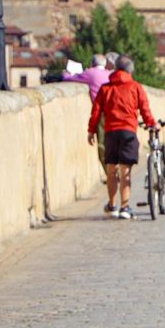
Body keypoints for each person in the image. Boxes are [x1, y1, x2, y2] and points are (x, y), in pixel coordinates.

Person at [88, 56, 158, 219]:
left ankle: (112, 205)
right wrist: (151, 124)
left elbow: (96, 112)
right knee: (125, 171)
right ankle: (125, 207)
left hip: (110, 133)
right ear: (130, 70)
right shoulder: (135, 87)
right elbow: (145, 109)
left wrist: (91, 131)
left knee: (111, 170)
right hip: (128, 131)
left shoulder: (105, 88)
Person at [67, 54, 117, 214]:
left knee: (102, 147)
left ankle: (110, 175)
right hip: (116, 112)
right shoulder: (110, 75)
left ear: (92, 63)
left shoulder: (90, 73)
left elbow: (69, 79)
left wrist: (65, 73)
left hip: (102, 113)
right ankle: (117, 176)